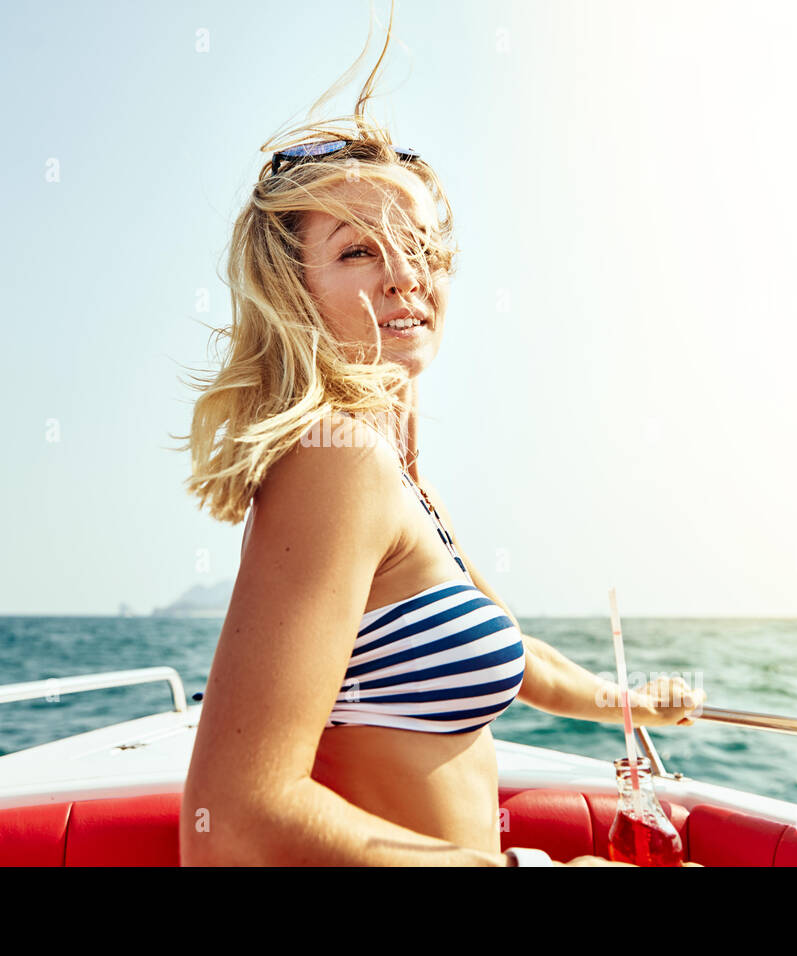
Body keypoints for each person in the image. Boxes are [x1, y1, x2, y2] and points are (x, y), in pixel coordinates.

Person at [175, 28, 706, 868]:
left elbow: (513, 651)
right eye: (358, 251)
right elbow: (237, 819)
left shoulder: (398, 477)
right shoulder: (335, 459)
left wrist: (627, 704)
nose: (404, 274)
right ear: (293, 292)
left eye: (421, 247)